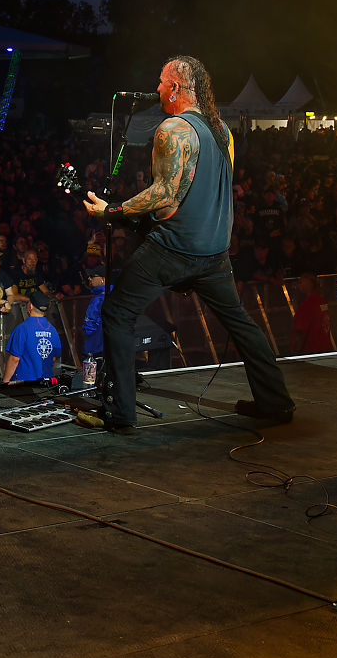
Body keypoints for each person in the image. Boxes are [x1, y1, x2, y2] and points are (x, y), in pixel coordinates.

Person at [80, 56, 294, 433]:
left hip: (174, 248)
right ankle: (276, 403)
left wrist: (112, 212)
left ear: (176, 87)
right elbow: (210, 191)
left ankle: (120, 412)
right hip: (215, 252)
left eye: (162, 82)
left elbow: (165, 195)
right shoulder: (221, 130)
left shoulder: (174, 130)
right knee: (241, 324)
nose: (157, 88)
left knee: (117, 313)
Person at [0, 293, 62, 384]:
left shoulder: (22, 329)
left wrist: (5, 382)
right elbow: (52, 358)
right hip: (45, 383)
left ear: (30, 306)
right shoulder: (53, 330)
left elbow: (14, 359)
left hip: (23, 384)